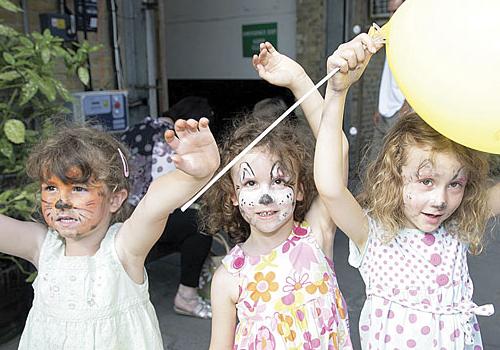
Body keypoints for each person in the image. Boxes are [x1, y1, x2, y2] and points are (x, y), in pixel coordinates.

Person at [315, 33, 500, 349]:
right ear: (395, 175)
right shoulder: (372, 232)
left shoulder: (455, 227)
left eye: (455, 183)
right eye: (426, 181)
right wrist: (337, 92)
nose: (440, 199)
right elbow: (330, 188)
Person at [0, 119, 219, 349]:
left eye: (79, 188)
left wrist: (194, 175)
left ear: (115, 199)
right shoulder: (42, 246)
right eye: (51, 188)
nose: (61, 202)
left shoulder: (124, 248)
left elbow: (155, 203)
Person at [205, 41, 353, 349]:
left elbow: (336, 148)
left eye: (279, 180)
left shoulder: (316, 235)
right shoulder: (228, 279)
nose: (266, 197)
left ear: (299, 189)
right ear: (233, 195)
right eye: (250, 184)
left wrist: (299, 80)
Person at [121, 96, 215, 319]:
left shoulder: (135, 128)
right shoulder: (170, 139)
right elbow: (170, 193)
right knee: (201, 224)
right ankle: (187, 297)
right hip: (141, 218)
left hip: (119, 210)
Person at [369, 0, 411, 161]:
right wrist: (379, 107)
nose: (391, 17)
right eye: (390, 12)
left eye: (395, 11)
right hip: (384, 113)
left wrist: (407, 107)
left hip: (401, 113)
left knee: (395, 164)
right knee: (375, 163)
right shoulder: (392, 35)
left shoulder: (415, 40)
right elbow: (387, 75)